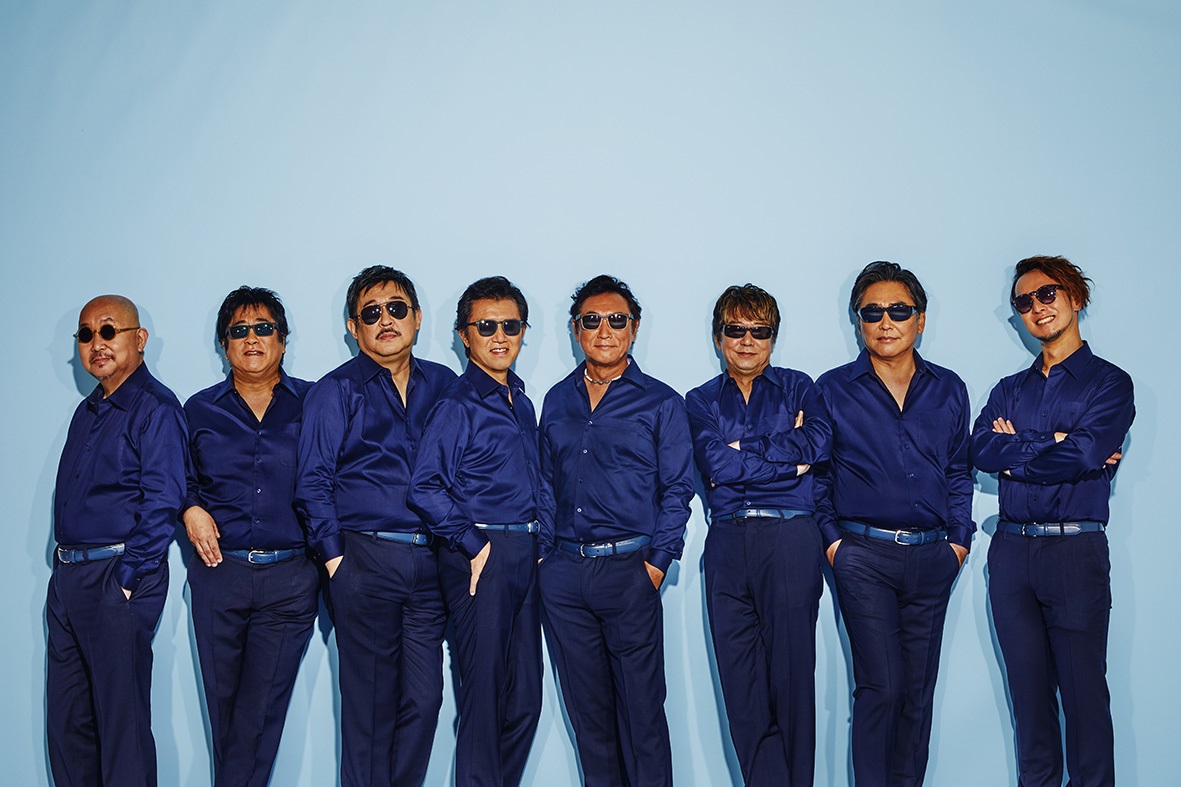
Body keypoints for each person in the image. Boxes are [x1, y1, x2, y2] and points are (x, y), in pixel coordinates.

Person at [970, 256, 1133, 787]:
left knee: (1085, 702)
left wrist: (1019, 449)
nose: (1036, 307)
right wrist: (1055, 442)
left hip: (1074, 553)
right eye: (1024, 302)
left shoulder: (1110, 384)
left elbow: (1084, 454)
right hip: (1011, 555)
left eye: (1047, 294)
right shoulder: (1008, 389)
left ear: (1075, 298)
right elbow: (981, 450)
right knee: (1029, 704)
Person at [814, 261, 974, 787]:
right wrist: (835, 545)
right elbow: (819, 476)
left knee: (917, 693)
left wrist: (958, 542)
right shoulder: (832, 389)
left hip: (933, 557)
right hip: (863, 558)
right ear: (858, 321)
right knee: (880, 687)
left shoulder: (949, 388)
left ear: (920, 320)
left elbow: (959, 471)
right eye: (872, 312)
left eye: (899, 311)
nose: (886, 322)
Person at [295, 266, 456, 787]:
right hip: (363, 561)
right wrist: (337, 564)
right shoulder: (334, 391)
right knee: (369, 710)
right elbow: (312, 482)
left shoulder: (446, 386)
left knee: (425, 701)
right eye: (371, 313)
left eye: (396, 308)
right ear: (353, 327)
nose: (386, 320)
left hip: (431, 565)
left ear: (417, 317)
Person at [537, 274, 694, 787]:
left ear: (634, 327)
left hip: (631, 572)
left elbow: (678, 490)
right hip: (564, 576)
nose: (604, 330)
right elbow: (545, 485)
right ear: (575, 329)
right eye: (592, 320)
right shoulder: (556, 401)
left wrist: (656, 565)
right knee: (590, 721)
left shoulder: (661, 402)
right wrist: (544, 559)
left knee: (642, 717)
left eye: (616, 320)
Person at [685, 284, 831, 787]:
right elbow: (714, 464)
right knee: (741, 686)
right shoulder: (699, 400)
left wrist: (741, 450)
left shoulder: (800, 387)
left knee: (792, 680)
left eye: (760, 331)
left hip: (790, 538)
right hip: (726, 543)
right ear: (718, 336)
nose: (747, 341)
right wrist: (788, 459)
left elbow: (818, 442)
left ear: (773, 337)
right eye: (735, 330)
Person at [47, 295, 187, 786]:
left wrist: (125, 581)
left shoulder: (157, 408)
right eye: (86, 335)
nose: (97, 344)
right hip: (68, 580)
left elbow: (163, 501)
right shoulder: (87, 410)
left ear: (139, 339)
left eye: (108, 331)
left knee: (121, 730)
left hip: (116, 578)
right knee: (68, 729)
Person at [409, 276, 543, 786]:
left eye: (510, 325)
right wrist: (474, 545)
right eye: (486, 326)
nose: (499, 336)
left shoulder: (521, 401)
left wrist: (540, 545)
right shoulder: (457, 404)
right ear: (465, 335)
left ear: (523, 331)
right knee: (484, 703)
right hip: (482, 555)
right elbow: (425, 487)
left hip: (525, 551)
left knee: (525, 700)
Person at [183, 286, 317, 786]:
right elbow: (177, 478)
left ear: (283, 340)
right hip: (220, 575)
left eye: (264, 328)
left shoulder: (315, 402)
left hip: (290, 579)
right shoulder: (198, 410)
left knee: (259, 715)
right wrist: (190, 507)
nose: (252, 338)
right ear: (224, 345)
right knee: (225, 715)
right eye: (239, 330)